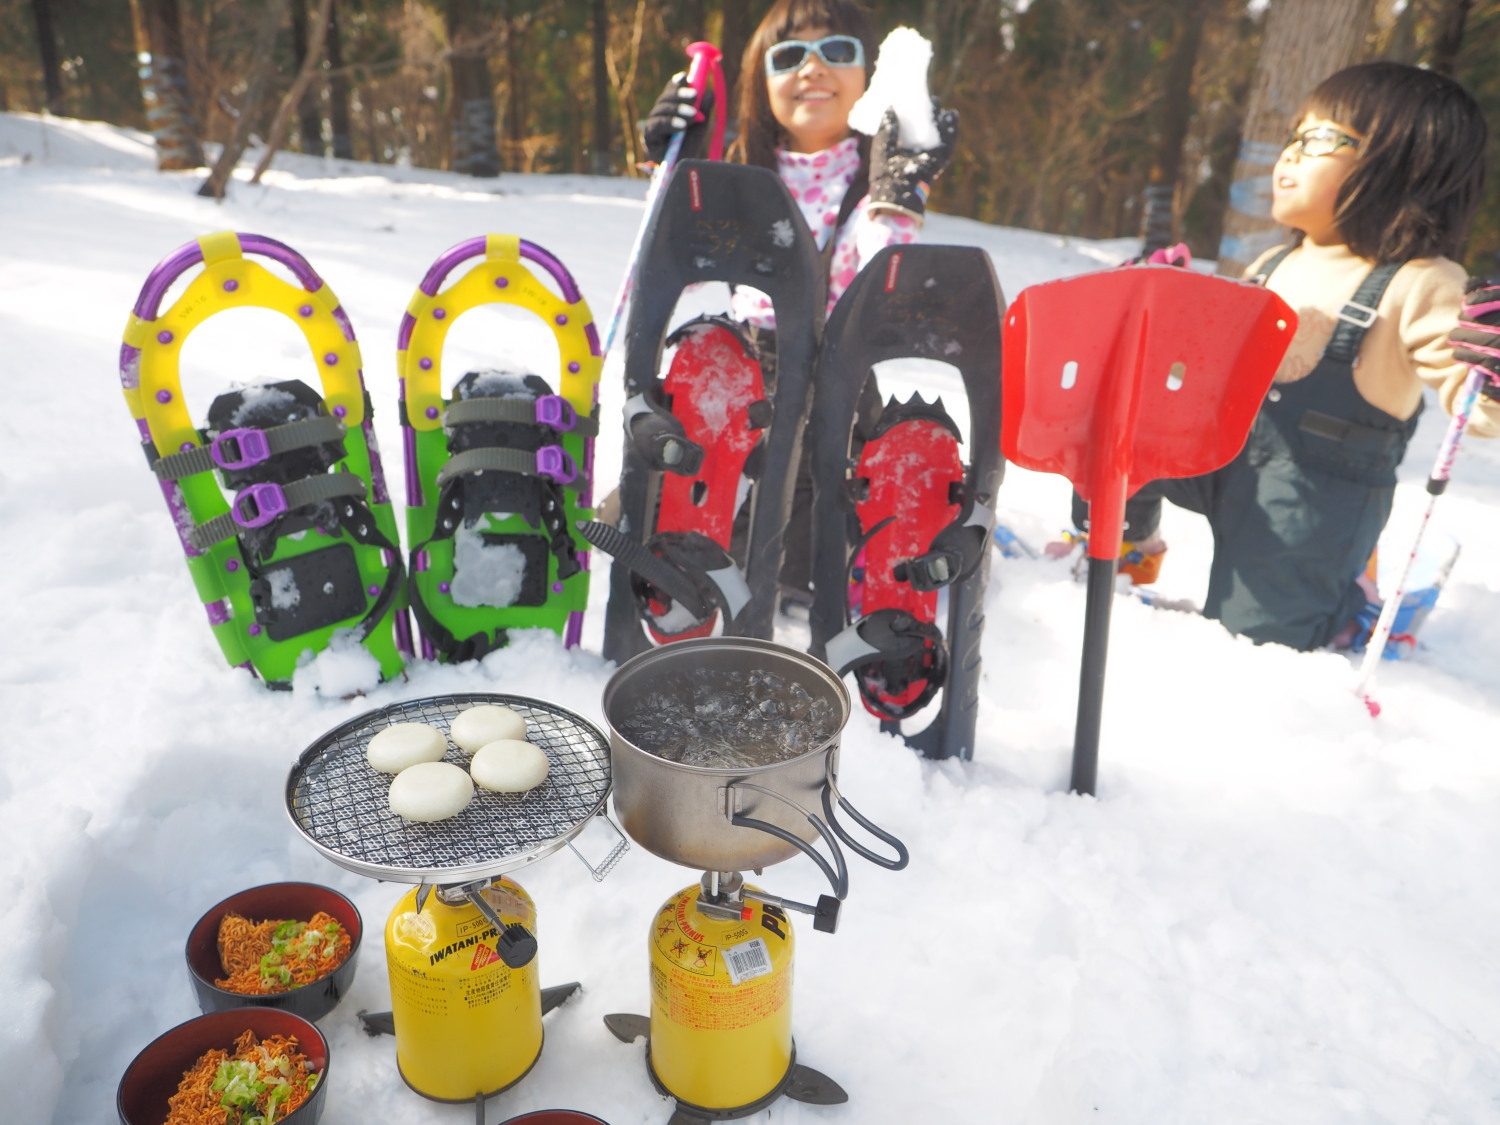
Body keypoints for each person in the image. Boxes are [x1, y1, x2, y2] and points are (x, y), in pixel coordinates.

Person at [1061, 61, 1498, 652]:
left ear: (1403, 165)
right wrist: (1160, 316)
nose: (1290, 153)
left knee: (1253, 642)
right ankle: (1126, 543)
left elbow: (1477, 410)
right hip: (1226, 452)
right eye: (1294, 134)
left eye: (1319, 139)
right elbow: (1205, 371)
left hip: (1313, 496)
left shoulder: (1422, 282)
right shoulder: (1274, 264)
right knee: (1126, 412)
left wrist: (1491, 368)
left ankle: (1347, 606)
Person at [636, 0, 958, 599]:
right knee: (659, 512)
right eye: (788, 57)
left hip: (831, 387)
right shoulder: (742, 171)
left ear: (870, 74)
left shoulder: (872, 177)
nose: (812, 68)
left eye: (835, 51)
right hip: (736, 382)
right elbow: (674, 275)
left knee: (800, 551)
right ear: (761, 81)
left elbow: (879, 286)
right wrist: (677, 170)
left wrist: (897, 195)